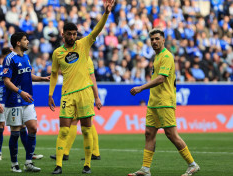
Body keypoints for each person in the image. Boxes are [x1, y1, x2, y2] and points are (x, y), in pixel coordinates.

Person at [48, 0, 115, 174]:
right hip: (67, 95)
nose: (72, 37)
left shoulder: (83, 44)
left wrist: (106, 13)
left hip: (85, 93)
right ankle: (59, 165)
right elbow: (54, 74)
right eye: (69, 34)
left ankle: (87, 165)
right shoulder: (57, 53)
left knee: (86, 130)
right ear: (63, 34)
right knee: (63, 130)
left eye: (75, 34)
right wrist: (50, 94)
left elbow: (97, 30)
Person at [128, 28, 200, 176]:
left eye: (157, 38)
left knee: (171, 134)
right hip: (153, 102)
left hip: (165, 101)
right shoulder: (157, 56)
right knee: (149, 133)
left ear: (163, 40)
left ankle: (192, 165)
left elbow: (161, 79)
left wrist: (141, 88)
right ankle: (145, 169)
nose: (154, 41)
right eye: (152, 39)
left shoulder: (167, 56)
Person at [2, 32, 50, 173]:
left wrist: (42, 79)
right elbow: (6, 81)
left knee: (33, 128)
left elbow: (28, 75)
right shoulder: (10, 59)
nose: (28, 42)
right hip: (14, 100)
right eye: (25, 40)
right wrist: (20, 92)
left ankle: (28, 162)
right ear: (18, 43)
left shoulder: (27, 57)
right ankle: (14, 164)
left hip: (27, 99)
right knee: (15, 133)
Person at [0, 47, 44, 161]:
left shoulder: (19, 62)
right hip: (3, 100)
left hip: (17, 99)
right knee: (2, 126)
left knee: (23, 127)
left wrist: (42, 78)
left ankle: (29, 154)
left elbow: (26, 76)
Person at [50, 56, 102, 161]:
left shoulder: (85, 58)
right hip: (77, 93)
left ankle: (67, 152)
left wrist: (96, 97)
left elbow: (92, 77)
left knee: (83, 122)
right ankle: (94, 152)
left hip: (84, 94)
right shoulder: (81, 57)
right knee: (82, 122)